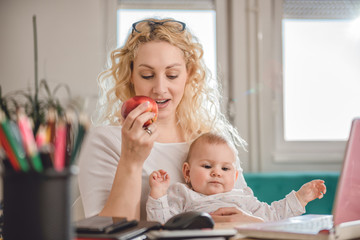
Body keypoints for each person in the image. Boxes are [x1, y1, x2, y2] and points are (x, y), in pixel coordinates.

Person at [78, 17, 264, 223]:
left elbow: (248, 212)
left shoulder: (213, 143)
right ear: (131, 75)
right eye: (147, 75)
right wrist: (131, 160)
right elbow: (105, 233)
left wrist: (249, 220)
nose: (160, 88)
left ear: (189, 74)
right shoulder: (105, 141)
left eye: (172, 75)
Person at [146, 132, 327, 224]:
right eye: (207, 166)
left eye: (225, 168)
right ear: (187, 172)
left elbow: (272, 217)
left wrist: (300, 198)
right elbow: (165, 226)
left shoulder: (242, 197)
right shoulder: (183, 194)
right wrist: (158, 195)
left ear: (235, 176)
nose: (216, 172)